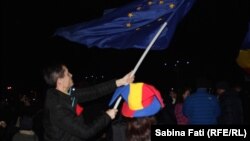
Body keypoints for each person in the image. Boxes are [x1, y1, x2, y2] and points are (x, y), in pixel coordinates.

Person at [43, 63, 134, 141]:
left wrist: (120, 82)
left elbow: (94, 91)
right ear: (60, 81)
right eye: (67, 73)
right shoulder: (57, 107)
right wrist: (107, 116)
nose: (71, 74)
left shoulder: (67, 93)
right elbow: (85, 132)